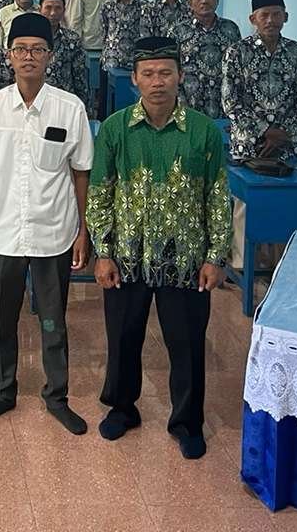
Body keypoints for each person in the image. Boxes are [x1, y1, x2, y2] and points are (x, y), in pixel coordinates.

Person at [87, 36, 231, 460]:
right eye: (148, 74)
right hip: (127, 256)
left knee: (186, 344)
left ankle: (187, 422)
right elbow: (99, 193)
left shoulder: (203, 131)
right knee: (123, 337)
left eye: (165, 73)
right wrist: (103, 251)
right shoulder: (115, 129)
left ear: (180, 76)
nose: (157, 82)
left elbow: (218, 197)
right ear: (134, 79)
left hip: (185, 259)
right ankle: (122, 408)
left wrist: (215, 256)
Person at [0, 13, 93, 432]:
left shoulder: (69, 108)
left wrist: (83, 231)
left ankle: (56, 396)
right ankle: (3, 392)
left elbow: (81, 173)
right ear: (8, 56)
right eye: (20, 49)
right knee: (2, 321)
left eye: (37, 50)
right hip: (4, 232)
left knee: (53, 321)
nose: (28, 56)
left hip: (53, 231)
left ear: (49, 56)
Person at [221, 0, 297, 268]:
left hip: (286, 144)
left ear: (286, 16)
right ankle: (242, 265)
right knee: (245, 205)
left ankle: (280, 265)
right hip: (248, 144)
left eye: (276, 14)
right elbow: (230, 100)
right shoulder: (237, 52)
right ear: (253, 19)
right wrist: (263, 131)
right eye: (264, 15)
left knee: (285, 204)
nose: (271, 20)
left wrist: (284, 131)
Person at [175, 0, 240, 119]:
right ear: (190, 3)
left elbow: (239, 71)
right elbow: (172, 72)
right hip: (190, 110)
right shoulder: (178, 32)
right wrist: (182, 108)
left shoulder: (231, 29)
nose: (204, 1)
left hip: (226, 111)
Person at [38, 0, 90, 108]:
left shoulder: (72, 39)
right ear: (40, 9)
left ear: (64, 10)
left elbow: (79, 77)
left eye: (58, 8)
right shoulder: (31, 39)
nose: (53, 13)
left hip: (65, 103)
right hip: (36, 101)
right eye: (48, 8)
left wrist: (84, 107)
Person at [100, 0, 146, 79]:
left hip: (134, 62)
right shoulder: (108, 6)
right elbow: (104, 31)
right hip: (111, 61)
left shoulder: (144, 7)